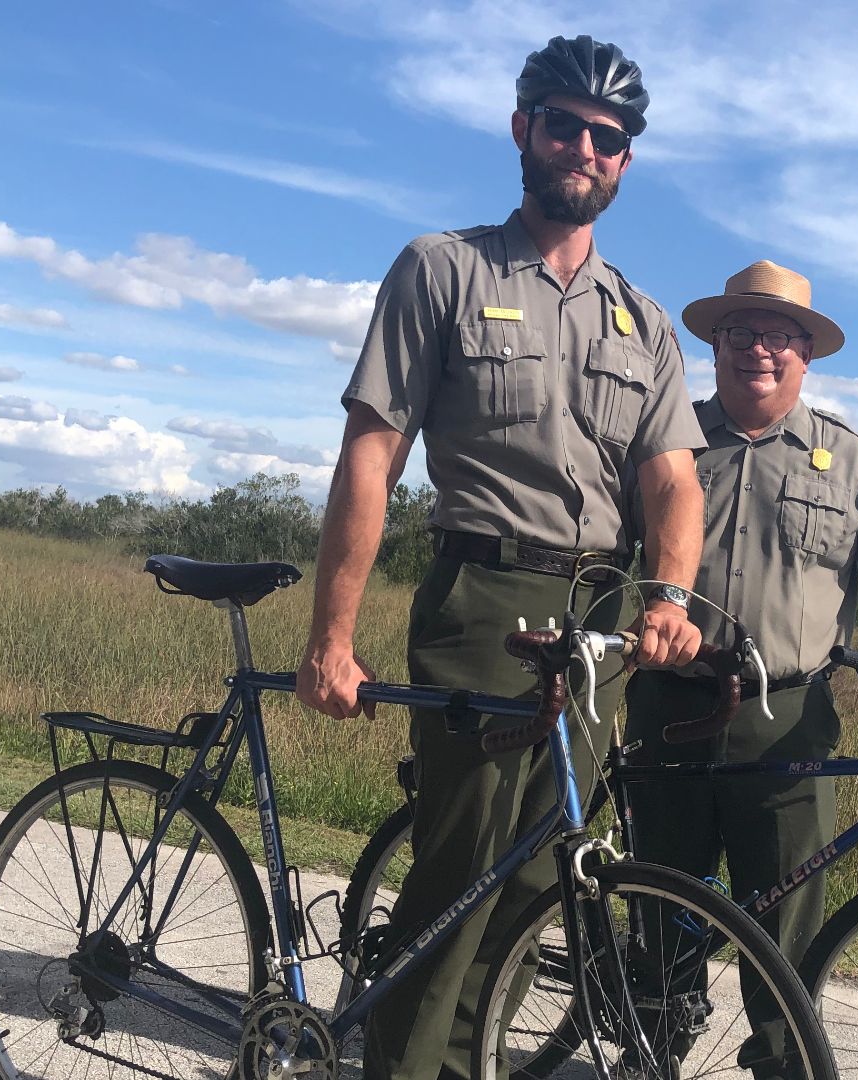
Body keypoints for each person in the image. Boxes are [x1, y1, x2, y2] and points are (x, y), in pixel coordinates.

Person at [294, 34, 706, 1080]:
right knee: (462, 879)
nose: (584, 147)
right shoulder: (445, 268)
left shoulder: (644, 322)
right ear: (522, 129)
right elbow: (371, 455)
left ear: (626, 163)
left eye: (607, 138)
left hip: (601, 618)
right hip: (485, 599)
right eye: (563, 124)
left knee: (541, 889)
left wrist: (669, 595)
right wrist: (331, 638)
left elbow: (672, 484)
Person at [625, 260, 858, 1075]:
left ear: (806, 355)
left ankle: (782, 1060)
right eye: (741, 332)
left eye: (778, 335)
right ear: (715, 346)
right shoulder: (668, 447)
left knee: (785, 921)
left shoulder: (847, 461)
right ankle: (647, 1050)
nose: (758, 350)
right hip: (670, 702)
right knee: (662, 899)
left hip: (788, 723)